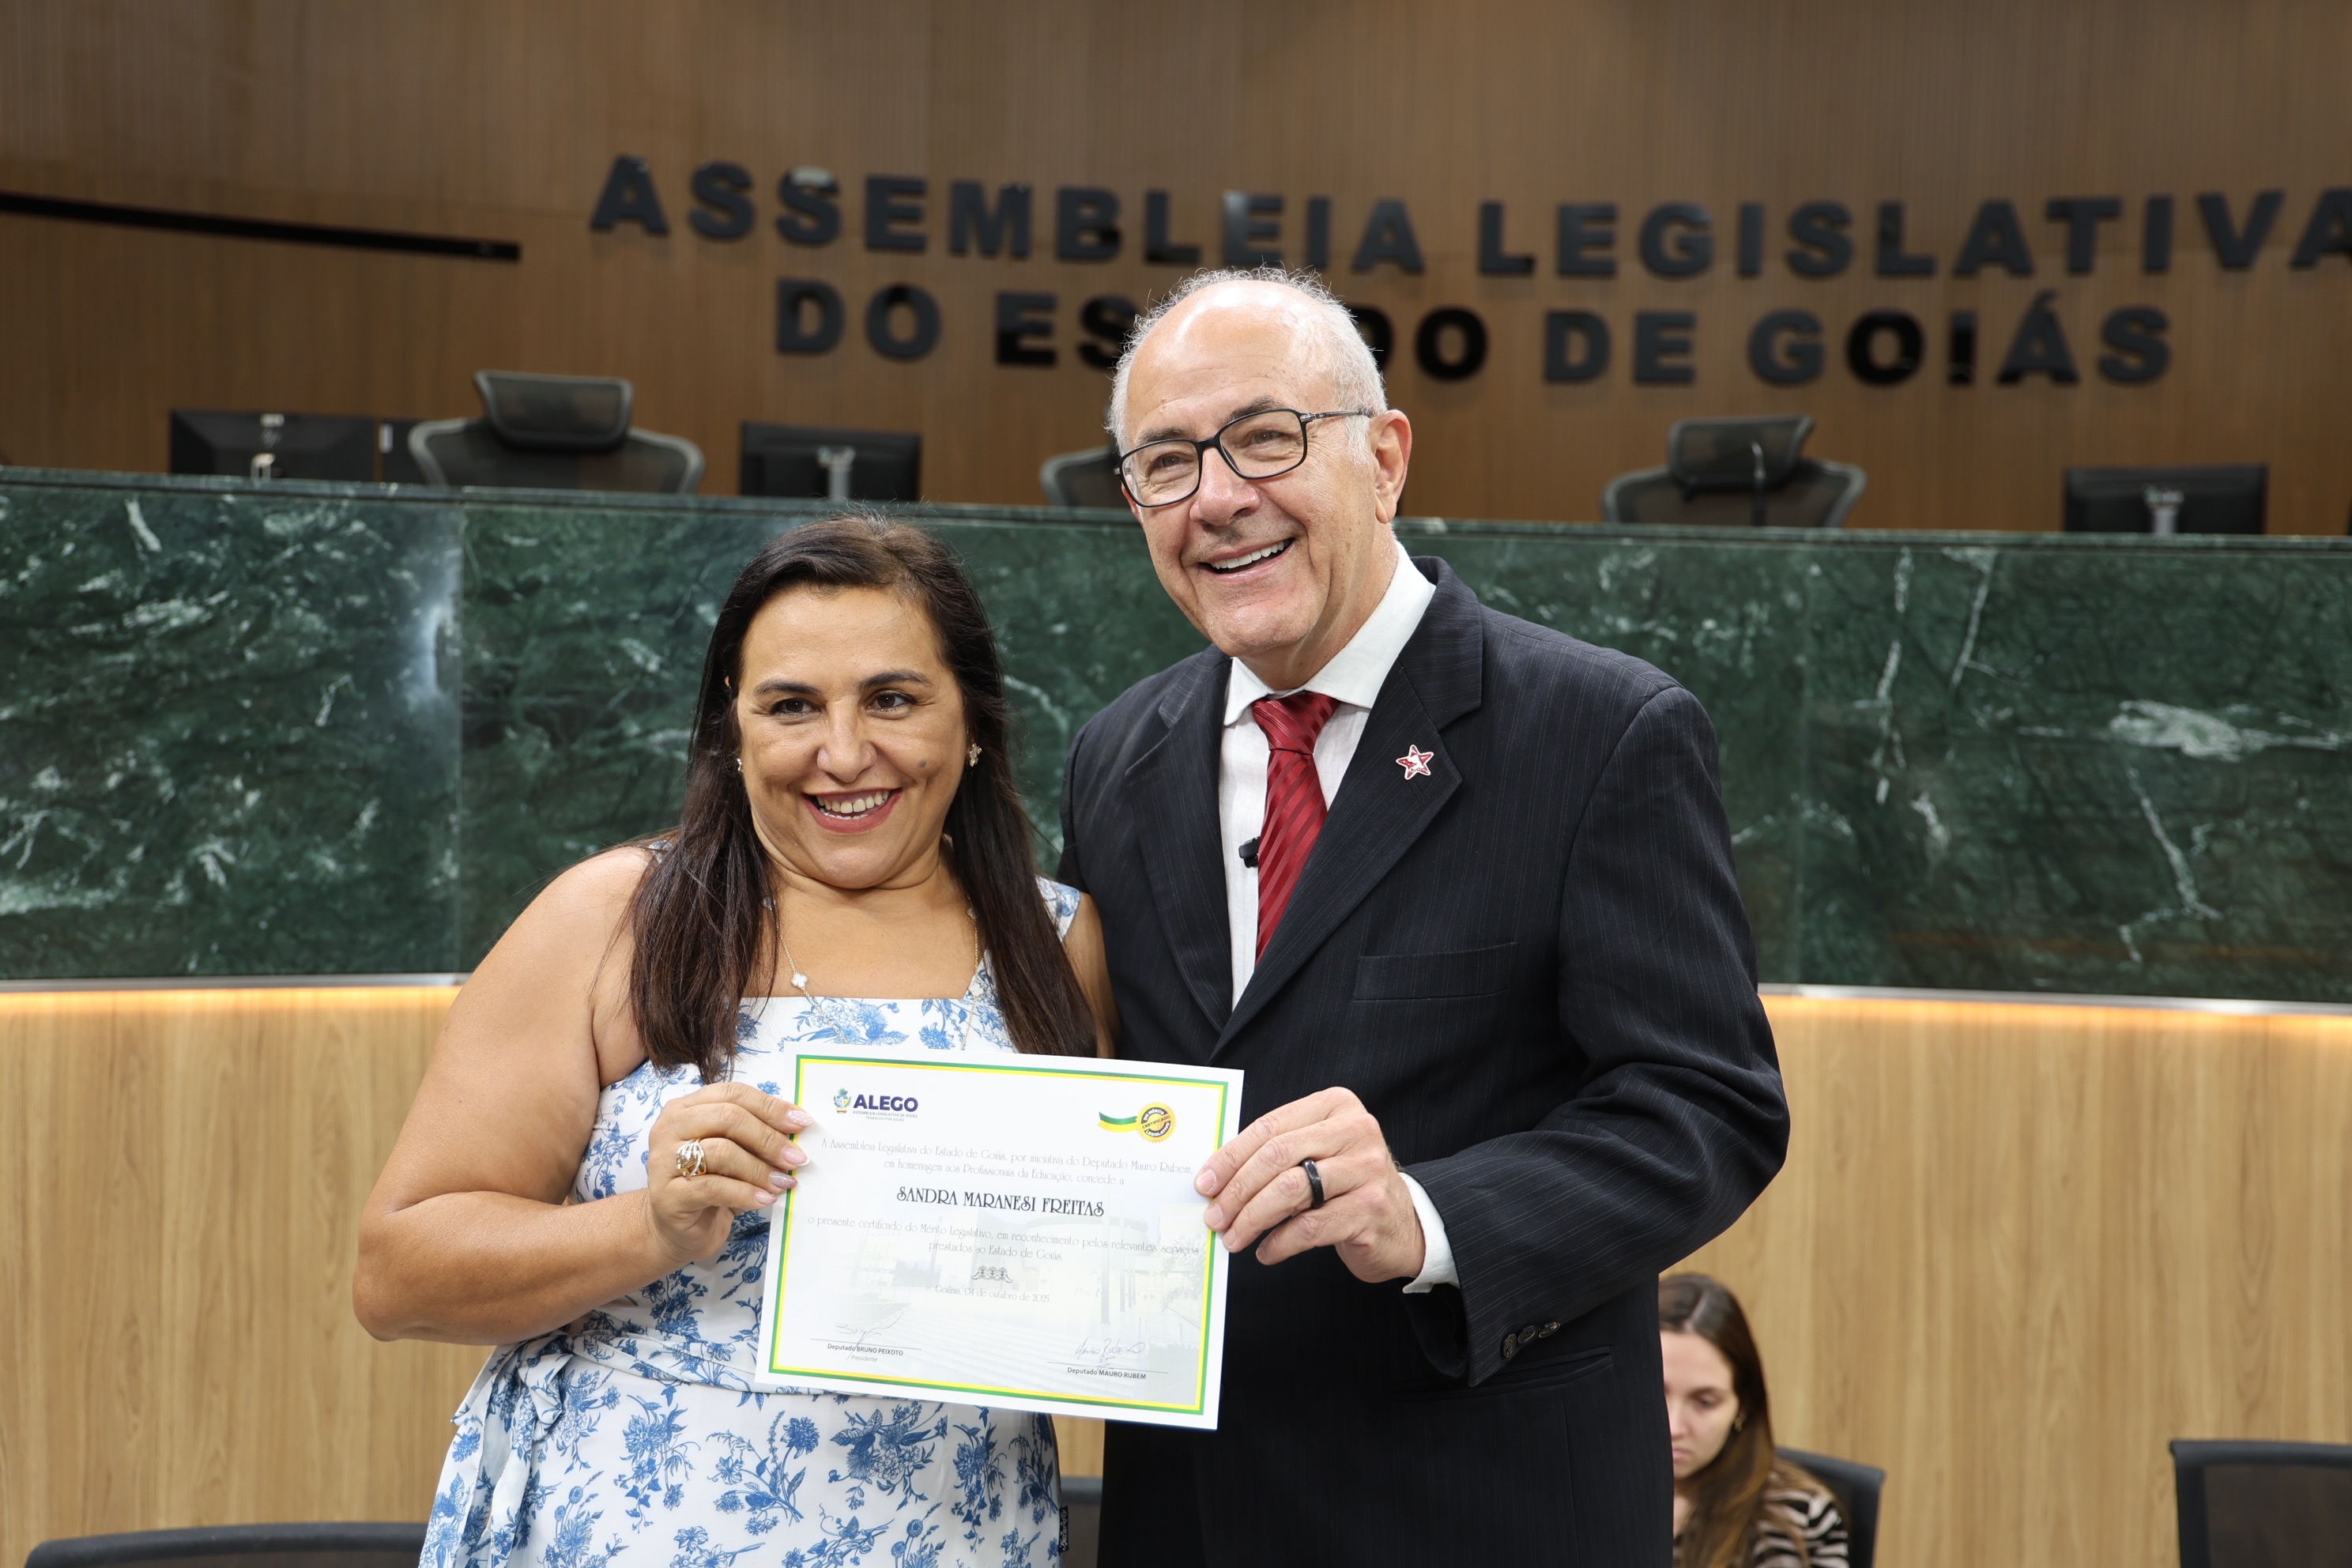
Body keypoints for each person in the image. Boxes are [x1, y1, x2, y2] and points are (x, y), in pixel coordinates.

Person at [1057, 267, 1791, 1564]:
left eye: (1265, 438)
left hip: (1482, 1510)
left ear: (1386, 458)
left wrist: (1428, 1215)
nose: (1216, 497)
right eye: (1165, 462)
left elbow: (1706, 1107)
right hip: (1191, 1515)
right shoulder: (1116, 755)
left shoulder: (1600, 731)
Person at [355, 516, 1118, 1568]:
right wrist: (649, 1226)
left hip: (962, 1532)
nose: (842, 753)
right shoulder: (616, 919)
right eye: (791, 705)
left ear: (974, 718)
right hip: (636, 1533)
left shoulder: (1058, 942)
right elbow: (398, 1277)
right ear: (735, 728)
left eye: (893, 699)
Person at [1661, 1273, 1849, 1568]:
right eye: (1655, 1396)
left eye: (1704, 1403)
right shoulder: (1590, 1495)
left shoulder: (1793, 1517)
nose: (1673, 1427)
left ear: (1743, 1405)